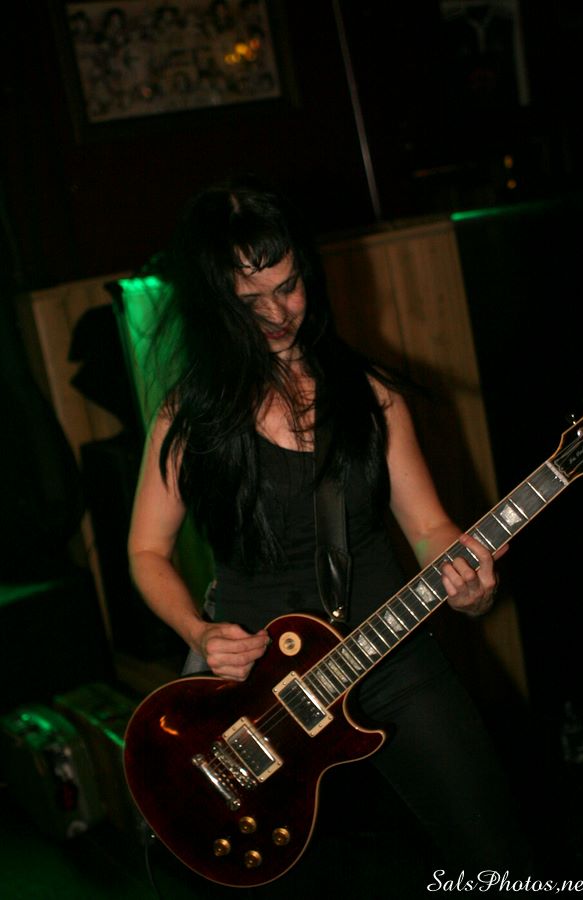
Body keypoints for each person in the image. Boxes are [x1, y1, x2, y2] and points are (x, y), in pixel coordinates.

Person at [128, 177, 530, 889]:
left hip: (390, 653)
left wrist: (470, 583)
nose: (277, 313)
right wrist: (197, 630)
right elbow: (146, 549)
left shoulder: (372, 395)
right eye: (249, 302)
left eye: (288, 287)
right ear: (216, 304)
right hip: (254, 698)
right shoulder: (188, 418)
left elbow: (430, 527)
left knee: (497, 858)